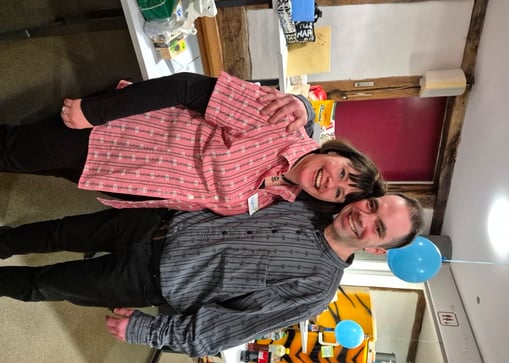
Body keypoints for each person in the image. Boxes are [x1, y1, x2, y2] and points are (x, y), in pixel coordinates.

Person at [0, 194, 423, 356]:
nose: (363, 217)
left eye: (378, 228)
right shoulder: (313, 200)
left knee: (44, 283)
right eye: (372, 205)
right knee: (56, 230)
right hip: (152, 223)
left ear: (377, 249)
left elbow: (225, 328)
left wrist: (148, 331)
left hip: (146, 280)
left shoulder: (317, 290)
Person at [0, 72, 385, 215]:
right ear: (336, 153)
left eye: (339, 193)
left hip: (117, 179)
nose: (330, 183)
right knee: (12, 150)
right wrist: (96, 112)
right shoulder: (281, 123)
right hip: (113, 138)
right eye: (342, 173)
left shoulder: (281, 199)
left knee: (22, 159)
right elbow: (185, 87)